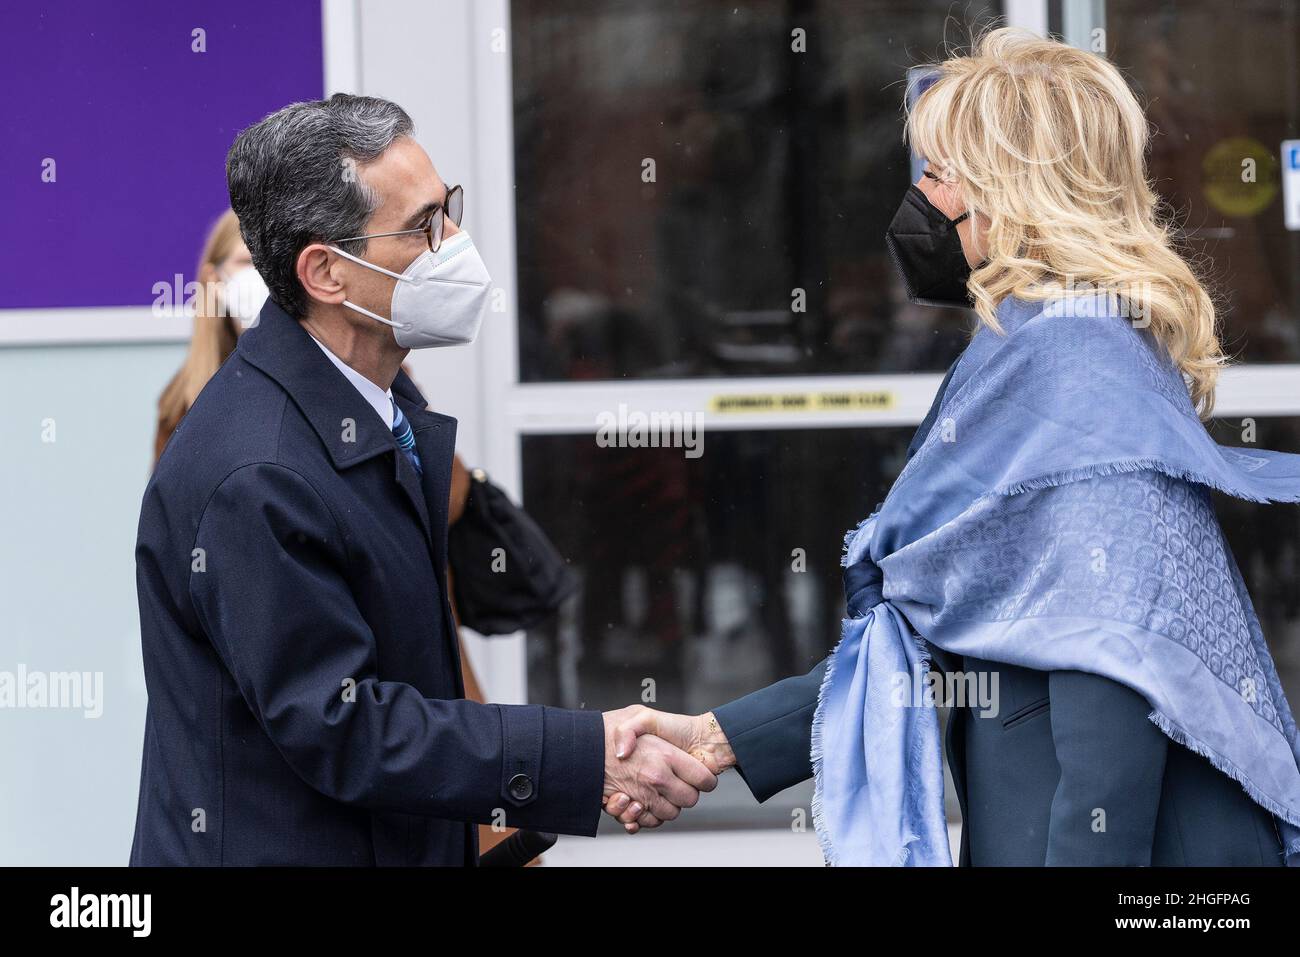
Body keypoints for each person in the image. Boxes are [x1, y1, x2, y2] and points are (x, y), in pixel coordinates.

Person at [607, 28, 1300, 866]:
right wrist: (718, 737)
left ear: (1013, 191)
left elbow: (1110, 677)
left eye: (937, 174)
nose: (920, 200)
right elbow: (942, 617)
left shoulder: (1078, 362)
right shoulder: (1043, 340)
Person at [130, 93, 715, 866]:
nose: (456, 244)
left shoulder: (377, 402)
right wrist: (583, 753)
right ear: (326, 272)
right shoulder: (257, 471)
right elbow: (345, 728)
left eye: (450, 210)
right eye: (422, 227)